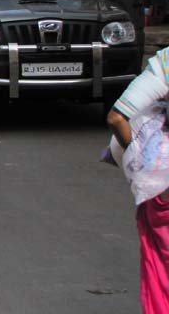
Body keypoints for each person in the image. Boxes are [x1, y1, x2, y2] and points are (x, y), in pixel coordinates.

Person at [107, 47, 169, 314]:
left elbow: (117, 117)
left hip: (163, 186)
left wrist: (138, 159)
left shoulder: (164, 63)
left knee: (160, 272)